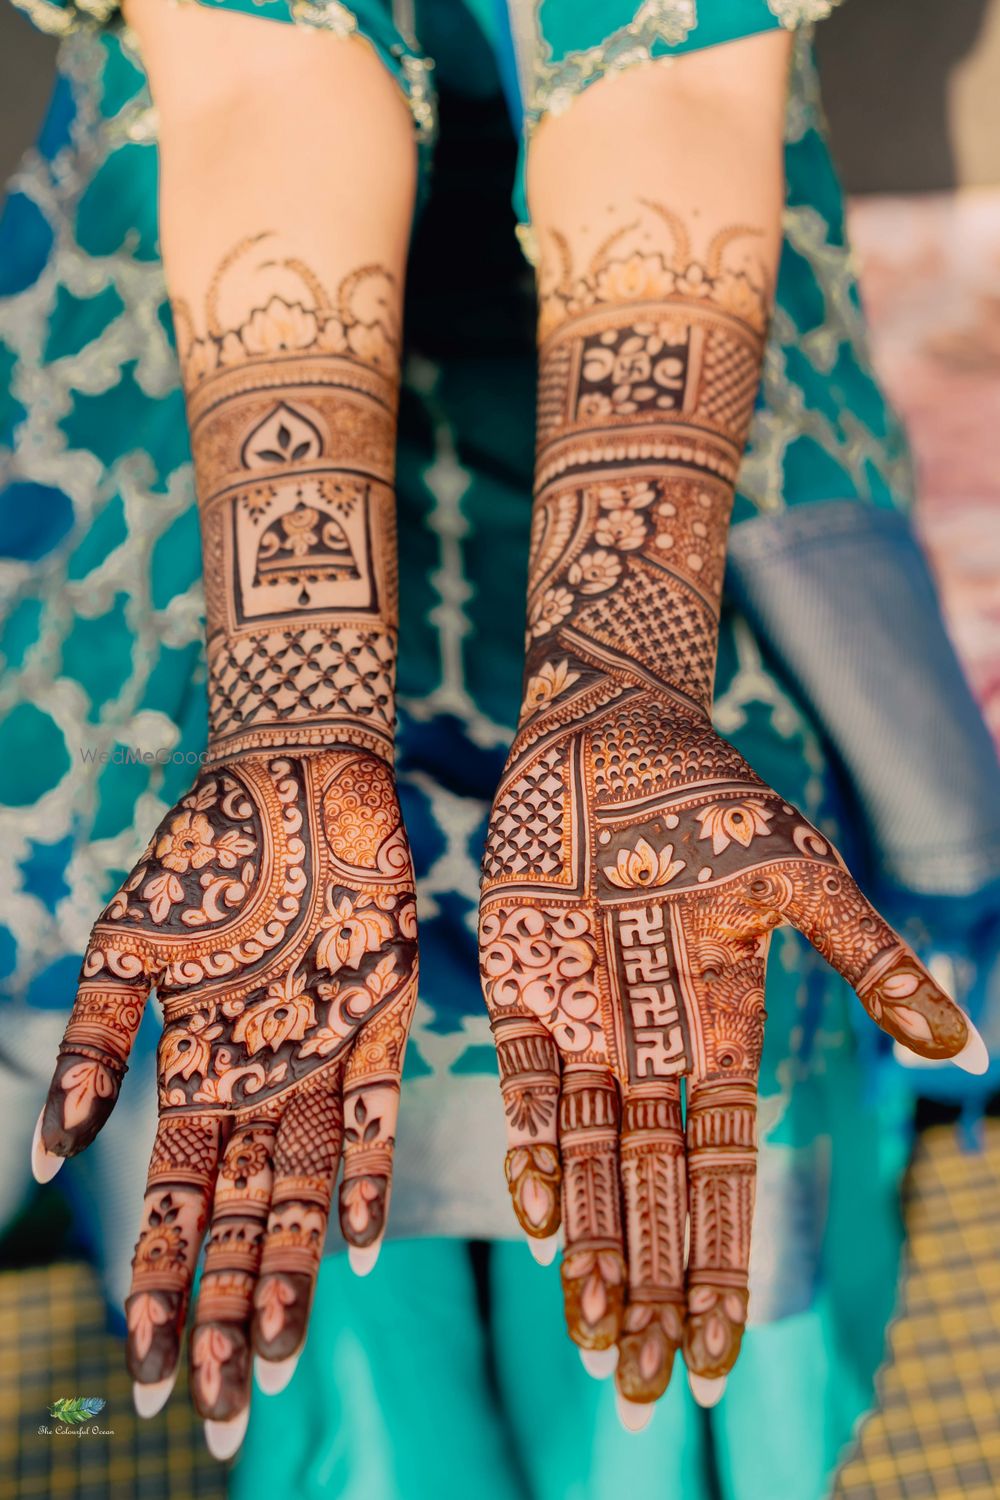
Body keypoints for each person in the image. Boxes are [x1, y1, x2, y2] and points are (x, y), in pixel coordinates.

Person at [3, 1, 998, 1495]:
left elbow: (668, 76)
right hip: (200, 273)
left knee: (692, 943)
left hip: (678, 305)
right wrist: (292, 708)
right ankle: (359, 1398)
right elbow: (258, 76)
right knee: (235, 929)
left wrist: (624, 681)